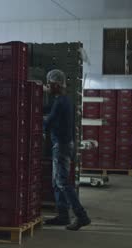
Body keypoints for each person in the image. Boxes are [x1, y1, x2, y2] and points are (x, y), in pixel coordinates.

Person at [43, 69, 91, 231]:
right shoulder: (65, 100)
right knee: (56, 183)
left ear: (56, 84)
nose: (48, 87)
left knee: (62, 182)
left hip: (61, 146)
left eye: (49, 84)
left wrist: (37, 121)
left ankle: (81, 216)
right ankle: (63, 216)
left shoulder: (61, 102)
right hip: (65, 144)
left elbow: (48, 122)